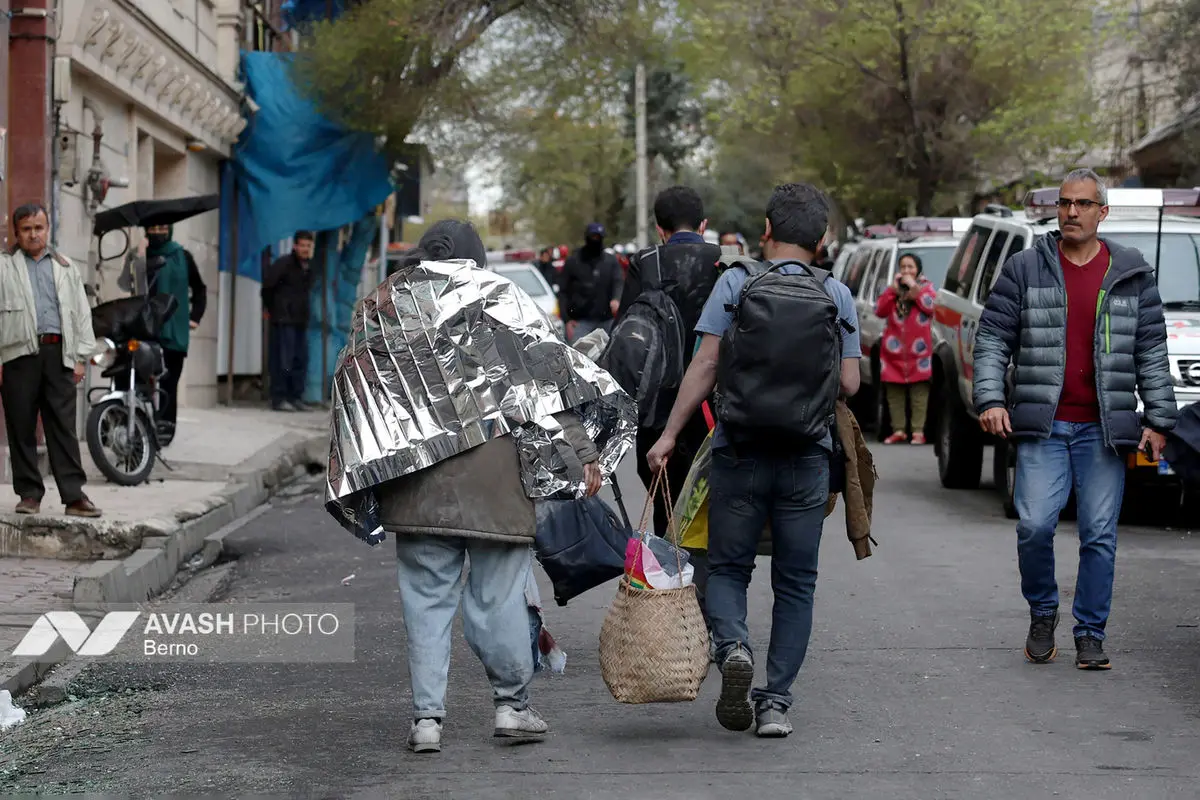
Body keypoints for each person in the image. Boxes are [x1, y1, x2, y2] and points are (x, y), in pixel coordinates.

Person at [368, 221, 605, 754]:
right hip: (496, 485)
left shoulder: (387, 310)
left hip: (418, 486)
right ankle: (510, 707)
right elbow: (547, 382)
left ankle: (427, 720)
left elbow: (359, 397)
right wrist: (583, 454)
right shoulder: (503, 302)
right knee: (498, 599)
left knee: (426, 602)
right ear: (478, 260)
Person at [647, 183, 861, 738]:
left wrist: (670, 434)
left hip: (737, 451)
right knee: (796, 581)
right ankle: (775, 704)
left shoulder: (735, 283)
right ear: (820, 240)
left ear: (765, 231)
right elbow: (850, 381)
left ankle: (734, 645)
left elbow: (705, 366)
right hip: (806, 457)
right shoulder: (836, 295)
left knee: (726, 566)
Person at [974, 167, 1177, 670]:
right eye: (1065, 203)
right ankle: (1043, 611)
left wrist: (1158, 420)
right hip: (1044, 425)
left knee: (1100, 534)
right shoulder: (1026, 268)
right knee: (1035, 526)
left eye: (1083, 204)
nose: (1071, 212)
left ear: (1102, 212)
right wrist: (991, 399)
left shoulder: (1130, 272)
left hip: (1105, 430)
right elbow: (993, 338)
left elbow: (1151, 349)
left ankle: (1090, 632)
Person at [0, 204, 101, 517]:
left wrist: (81, 357)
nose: (34, 234)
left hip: (58, 354)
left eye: (39, 227)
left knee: (63, 427)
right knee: (21, 426)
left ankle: (74, 496)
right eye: (27, 229)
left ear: (48, 229)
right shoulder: (4, 267)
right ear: (16, 233)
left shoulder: (66, 267)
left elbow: (81, 314)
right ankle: (29, 494)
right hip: (17, 355)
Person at [127, 224, 207, 437]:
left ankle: (165, 429)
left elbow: (200, 289)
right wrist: (140, 257)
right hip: (145, 327)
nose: (158, 232)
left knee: (169, 382)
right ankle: (138, 429)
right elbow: (129, 285)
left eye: (163, 228)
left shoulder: (182, 256)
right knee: (139, 379)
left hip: (175, 330)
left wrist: (195, 317)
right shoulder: (139, 255)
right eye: (153, 228)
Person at [874, 252, 936, 444]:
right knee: (894, 393)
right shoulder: (893, 291)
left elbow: (931, 307)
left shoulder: (926, 288)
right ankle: (898, 430)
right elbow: (880, 310)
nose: (907, 271)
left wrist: (914, 289)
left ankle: (918, 431)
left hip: (919, 353)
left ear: (918, 270)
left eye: (911, 267)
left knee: (919, 393)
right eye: (903, 267)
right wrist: (893, 290)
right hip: (893, 352)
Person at [262, 232, 314, 412]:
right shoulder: (284, 264)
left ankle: (295, 397)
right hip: (284, 319)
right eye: (302, 246)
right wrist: (271, 309)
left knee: (300, 359)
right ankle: (279, 398)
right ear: (295, 246)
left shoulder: (306, 267)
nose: (305, 249)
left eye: (308, 246)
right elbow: (267, 287)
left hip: (300, 320)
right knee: (283, 361)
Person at [559, 223, 622, 343]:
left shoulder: (610, 261)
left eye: (598, 238)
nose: (595, 241)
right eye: (593, 237)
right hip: (580, 322)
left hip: (606, 321)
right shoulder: (573, 261)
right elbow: (563, 292)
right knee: (579, 358)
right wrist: (566, 320)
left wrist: (616, 299)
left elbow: (618, 281)